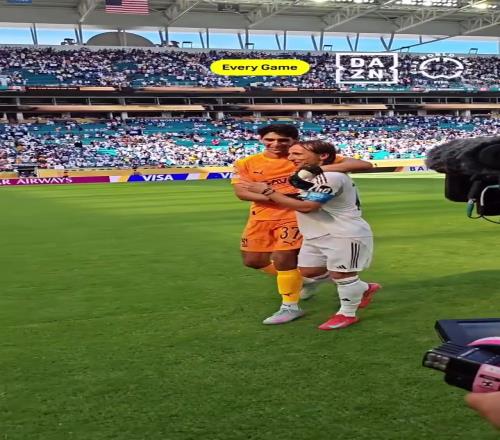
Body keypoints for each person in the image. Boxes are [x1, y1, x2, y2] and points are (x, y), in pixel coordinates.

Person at [231, 124, 375, 325]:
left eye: (283, 140)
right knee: (253, 261)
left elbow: (363, 165)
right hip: (262, 216)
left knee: (283, 259)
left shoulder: (308, 156)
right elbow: (242, 192)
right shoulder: (248, 163)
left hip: (295, 214)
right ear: (261, 140)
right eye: (270, 139)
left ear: (294, 141)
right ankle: (338, 283)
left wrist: (311, 172)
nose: (276, 144)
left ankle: (290, 306)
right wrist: (282, 196)